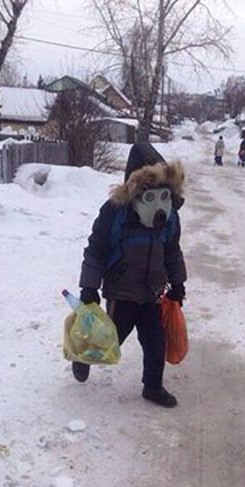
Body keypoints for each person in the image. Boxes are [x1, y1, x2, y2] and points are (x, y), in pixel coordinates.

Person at [71, 142, 187, 409]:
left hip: (152, 292)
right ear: (135, 189)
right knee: (109, 339)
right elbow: (96, 251)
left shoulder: (169, 217)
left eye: (164, 193)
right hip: (122, 291)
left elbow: (172, 250)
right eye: (149, 193)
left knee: (155, 342)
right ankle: (83, 358)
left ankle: (153, 387)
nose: (159, 202)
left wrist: (178, 283)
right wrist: (89, 288)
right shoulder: (115, 212)